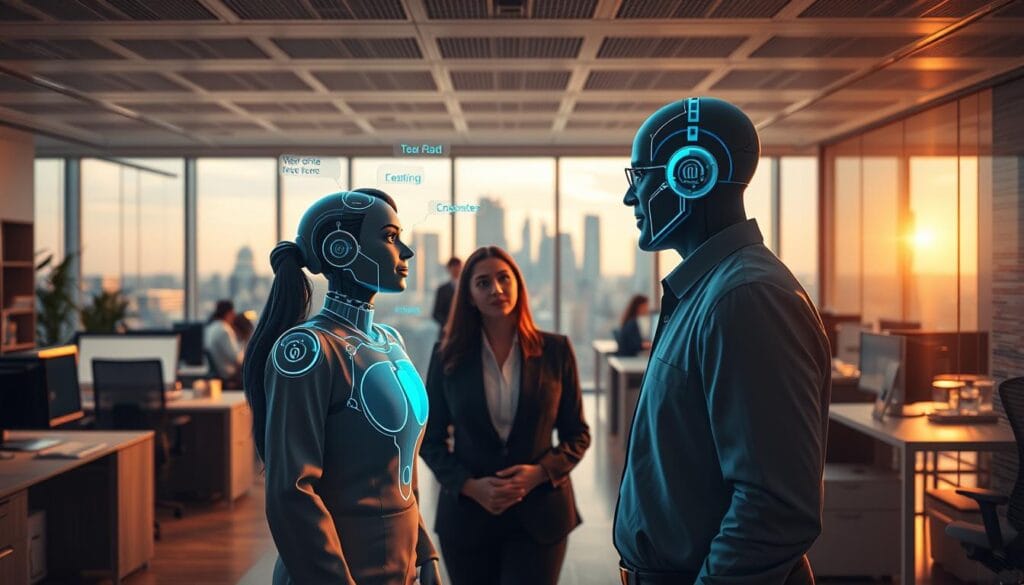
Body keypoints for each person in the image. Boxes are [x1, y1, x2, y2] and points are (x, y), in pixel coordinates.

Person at [614, 97, 831, 584]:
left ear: (693, 172)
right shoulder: (713, 289)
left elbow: (774, 507)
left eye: (641, 176)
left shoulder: (747, 297)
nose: (631, 199)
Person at [243, 188, 441, 585]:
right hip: (338, 570)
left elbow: (402, 469)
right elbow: (291, 492)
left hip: (402, 568)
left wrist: (425, 555)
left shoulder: (390, 341)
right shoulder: (309, 349)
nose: (406, 251)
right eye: (389, 236)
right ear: (340, 247)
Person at [420, 246, 590, 585]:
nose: (496, 289)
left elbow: (577, 434)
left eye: (503, 279)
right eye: (483, 283)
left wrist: (539, 474)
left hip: (540, 515)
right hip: (468, 516)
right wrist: (469, 486)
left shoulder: (556, 350)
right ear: (468, 295)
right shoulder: (446, 357)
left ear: (518, 285)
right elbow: (430, 439)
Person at [204, 299, 243, 387]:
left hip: (218, 374)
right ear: (229, 313)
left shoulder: (210, 328)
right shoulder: (224, 330)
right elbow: (236, 359)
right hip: (229, 376)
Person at [431, 257, 462, 330]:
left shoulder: (467, 287)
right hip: (446, 331)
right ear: (448, 269)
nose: (456, 270)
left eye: (458, 267)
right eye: (454, 267)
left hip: (465, 331)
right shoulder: (442, 290)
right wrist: (447, 324)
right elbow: (436, 313)